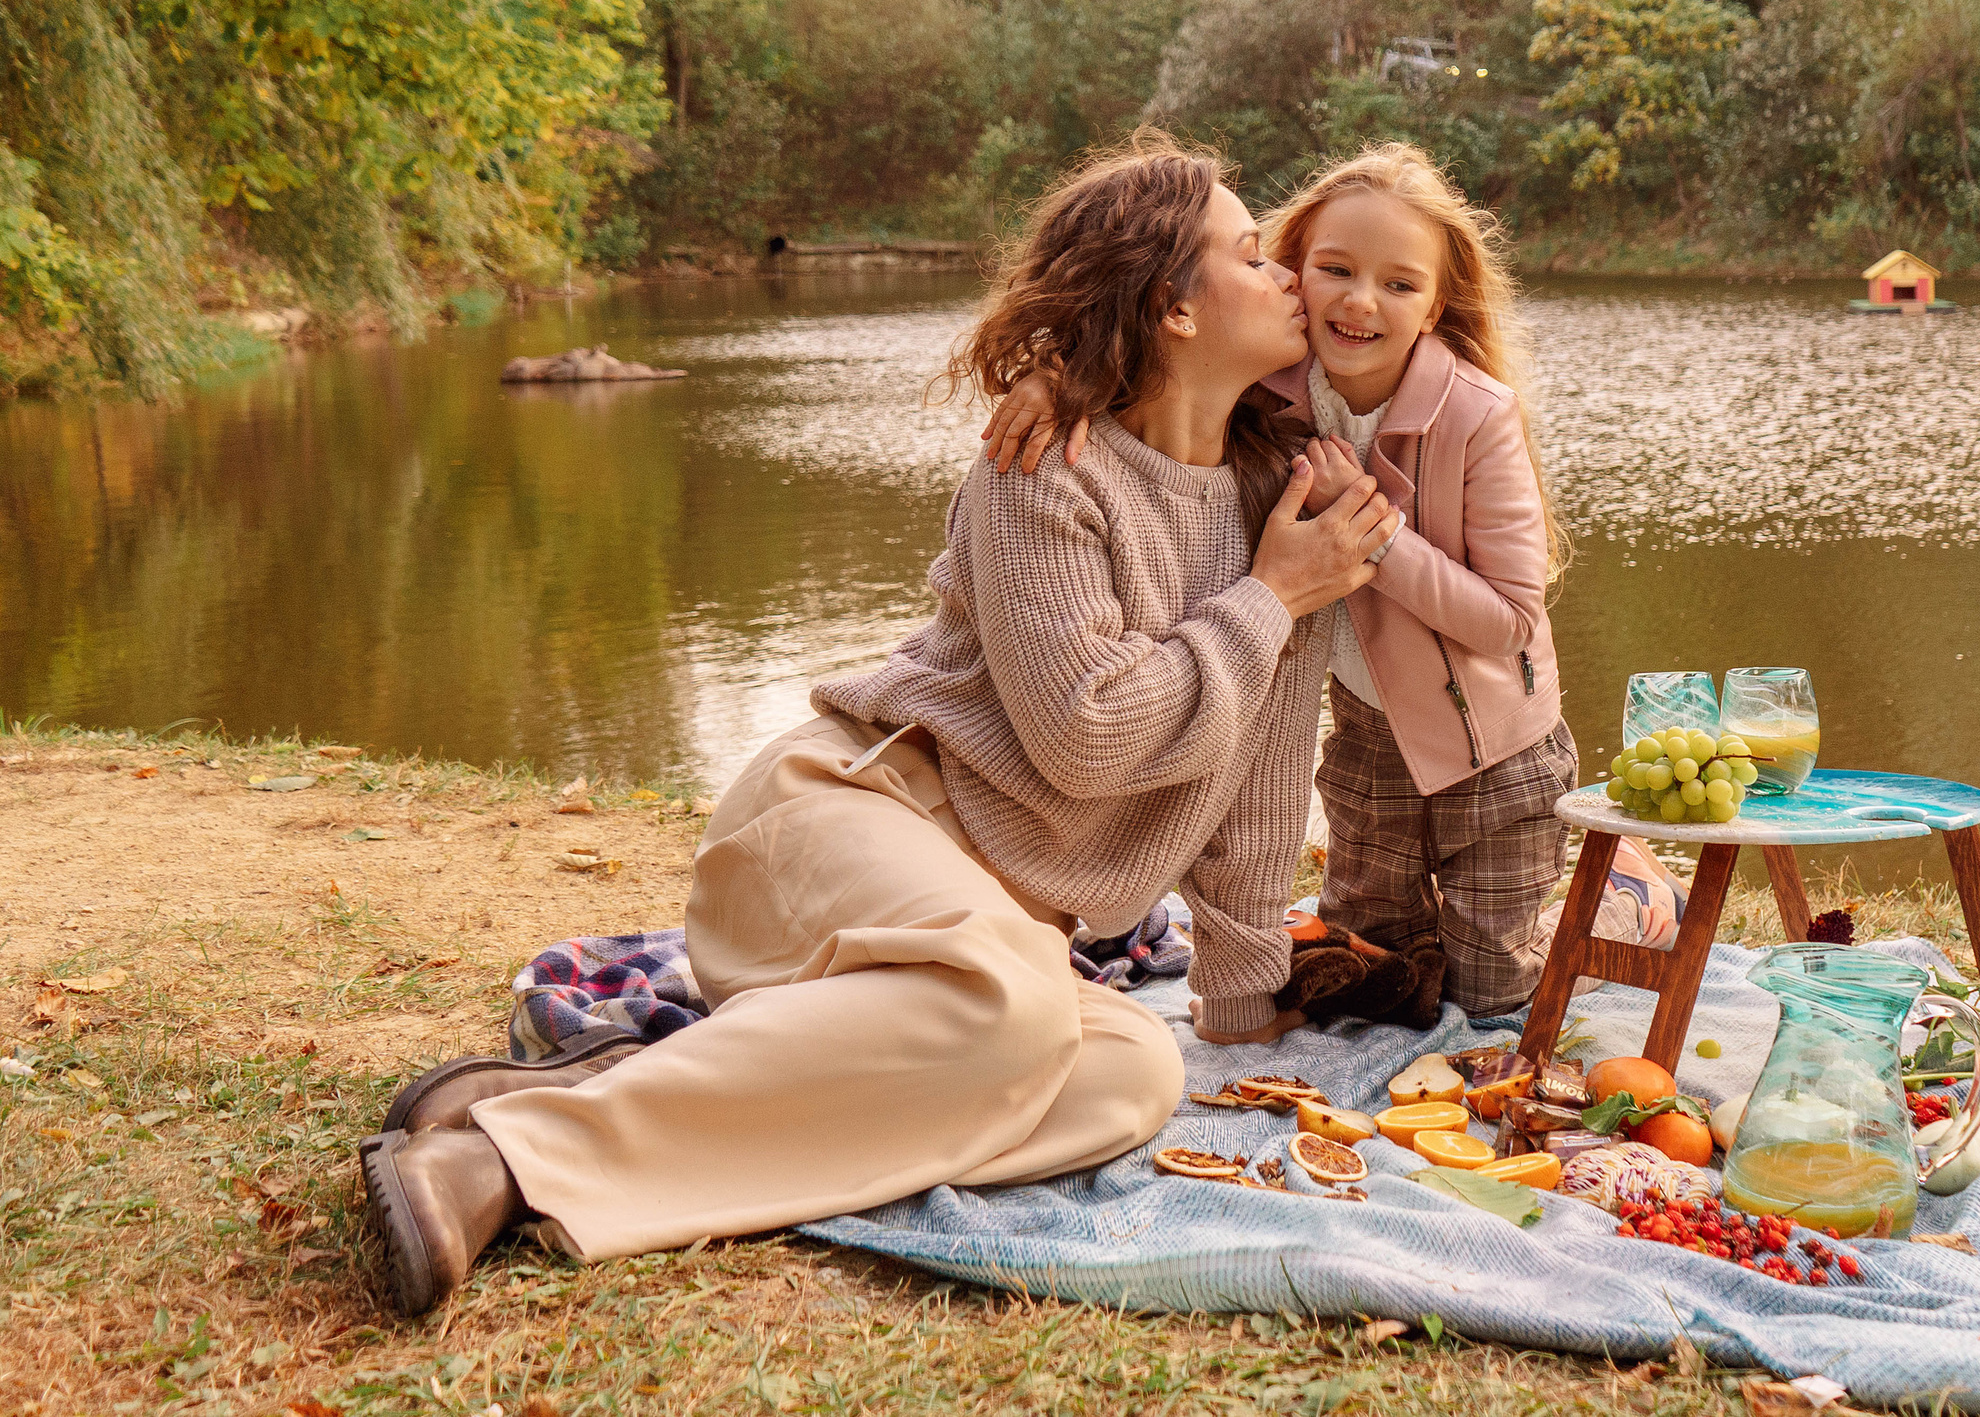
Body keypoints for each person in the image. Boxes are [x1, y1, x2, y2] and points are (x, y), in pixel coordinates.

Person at [359, 138, 1402, 1314]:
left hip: (953, 959)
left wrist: (1243, 996)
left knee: (1130, 1072)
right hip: (839, 824)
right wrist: (1266, 597)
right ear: (1170, 305)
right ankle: (500, 1161)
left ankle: (677, 1076)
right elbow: (1090, 735)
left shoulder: (1287, 507)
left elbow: (1258, 782)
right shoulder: (1041, 467)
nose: (1287, 279)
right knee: (1013, 1009)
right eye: (1254, 254)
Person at [987, 143, 1668, 1018]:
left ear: (1435, 302)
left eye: (1398, 283)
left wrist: (1369, 531)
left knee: (1494, 990)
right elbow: (1150, 342)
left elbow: (1507, 619)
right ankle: (1435, 926)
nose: (1358, 301)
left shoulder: (1475, 412)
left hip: (1493, 750)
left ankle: (1630, 898)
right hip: (1366, 742)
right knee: (1387, 970)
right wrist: (1060, 381)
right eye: (1333, 269)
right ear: (1292, 268)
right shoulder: (1266, 388)